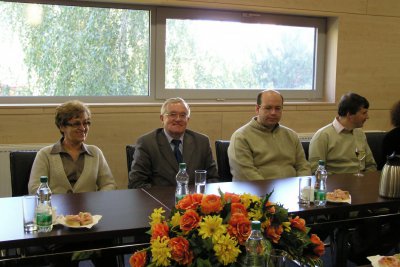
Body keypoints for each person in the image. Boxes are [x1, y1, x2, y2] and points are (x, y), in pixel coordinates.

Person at [128, 97, 219, 188]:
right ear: (162, 118)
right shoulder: (147, 143)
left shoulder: (202, 142)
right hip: (159, 200)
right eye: (172, 114)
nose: (178, 119)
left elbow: (213, 179)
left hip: (194, 200)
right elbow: (136, 183)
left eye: (183, 115)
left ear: (188, 119)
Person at [28, 100, 116, 194]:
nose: (83, 128)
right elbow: (35, 189)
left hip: (89, 208)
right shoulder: (45, 154)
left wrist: (97, 201)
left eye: (86, 123)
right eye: (76, 124)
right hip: (56, 207)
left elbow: (109, 185)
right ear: (62, 127)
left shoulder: (95, 153)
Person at [227, 90, 310, 180]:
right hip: (258, 192)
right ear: (257, 109)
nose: (273, 112)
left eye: (278, 108)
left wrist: (302, 188)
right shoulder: (241, 137)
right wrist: (271, 193)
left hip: (293, 190)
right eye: (268, 108)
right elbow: (245, 174)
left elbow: (303, 167)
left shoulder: (291, 135)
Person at [309, 92, 377, 174]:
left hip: (361, 181)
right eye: (364, 113)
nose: (367, 117)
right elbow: (316, 169)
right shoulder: (323, 136)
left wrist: (365, 180)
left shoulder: (360, 133)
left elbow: (371, 165)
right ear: (350, 115)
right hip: (334, 184)